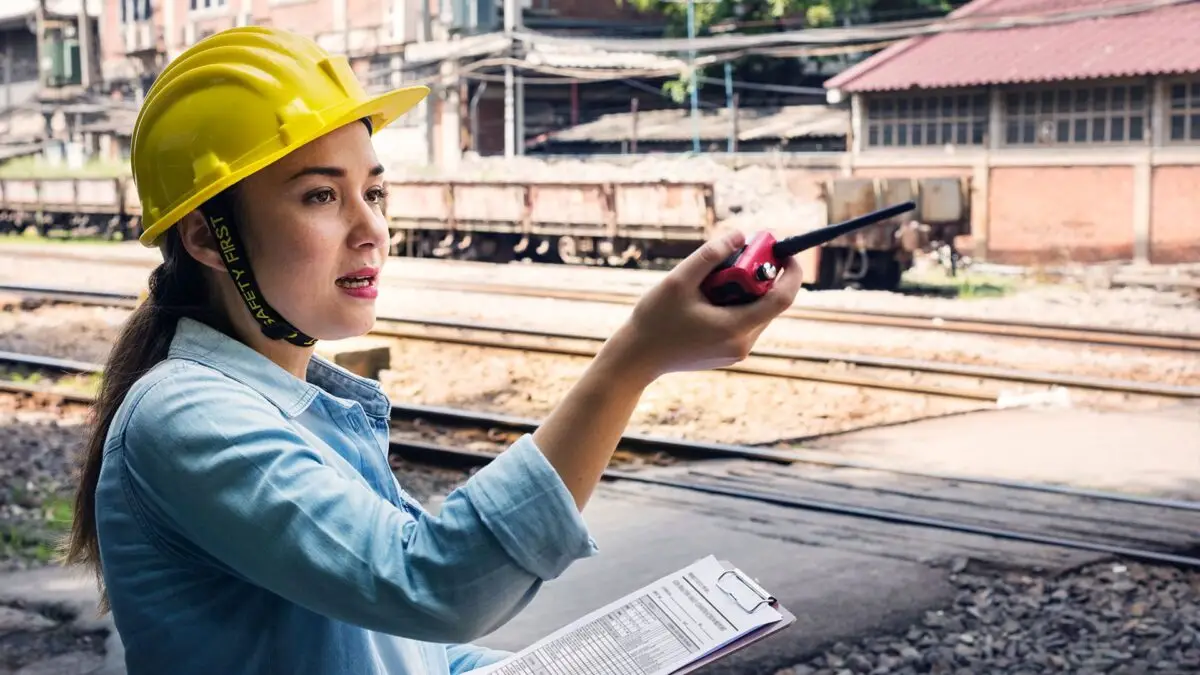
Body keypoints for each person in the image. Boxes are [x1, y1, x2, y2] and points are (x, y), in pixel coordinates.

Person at [60, 26, 802, 675]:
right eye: (321, 195)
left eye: (373, 193)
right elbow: (429, 584)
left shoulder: (298, 411)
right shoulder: (188, 415)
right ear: (203, 238)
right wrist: (632, 361)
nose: (371, 229)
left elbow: (405, 647)